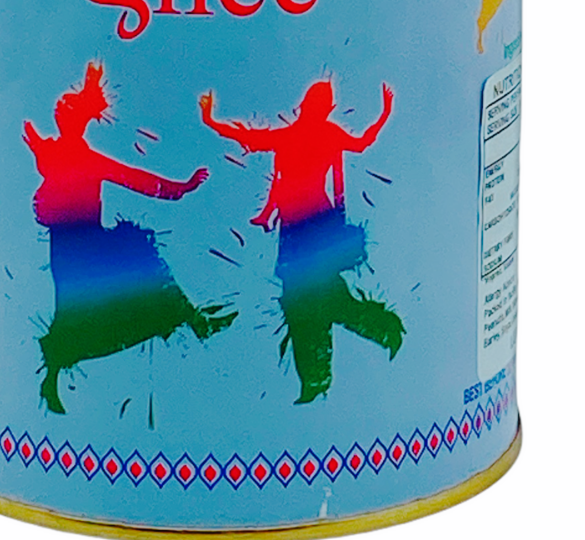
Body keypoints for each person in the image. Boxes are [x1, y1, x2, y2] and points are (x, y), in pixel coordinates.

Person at [24, 62, 235, 414]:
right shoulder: (80, 157)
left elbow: (133, 177)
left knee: (74, 309)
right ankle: (194, 321)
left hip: (70, 247)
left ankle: (53, 378)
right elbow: (137, 179)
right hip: (84, 246)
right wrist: (180, 188)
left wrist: (89, 88)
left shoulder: (52, 152)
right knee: (135, 268)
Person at [200, 79, 403, 403]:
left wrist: (212, 120)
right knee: (314, 298)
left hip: (304, 225)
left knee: (307, 300)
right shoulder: (319, 133)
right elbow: (360, 143)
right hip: (308, 223)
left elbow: (251, 139)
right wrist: (384, 112)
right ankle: (344, 357)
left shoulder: (298, 135)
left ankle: (326, 371)